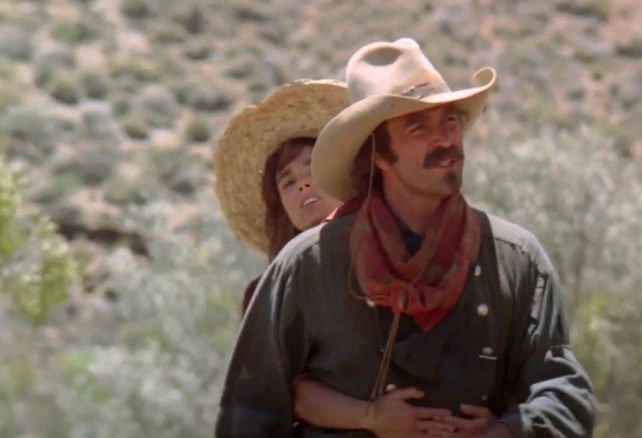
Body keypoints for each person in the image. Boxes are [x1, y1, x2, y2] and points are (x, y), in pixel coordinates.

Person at [215, 38, 597, 438]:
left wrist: (505, 432)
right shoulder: (308, 266)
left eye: (450, 121)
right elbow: (248, 411)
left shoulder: (517, 260)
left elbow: (564, 393)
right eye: (418, 127)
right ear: (379, 154)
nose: (445, 140)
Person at [214, 79, 346, 313]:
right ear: (281, 207)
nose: (303, 185)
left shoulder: (397, 258)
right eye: (288, 182)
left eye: (312, 169)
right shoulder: (268, 297)